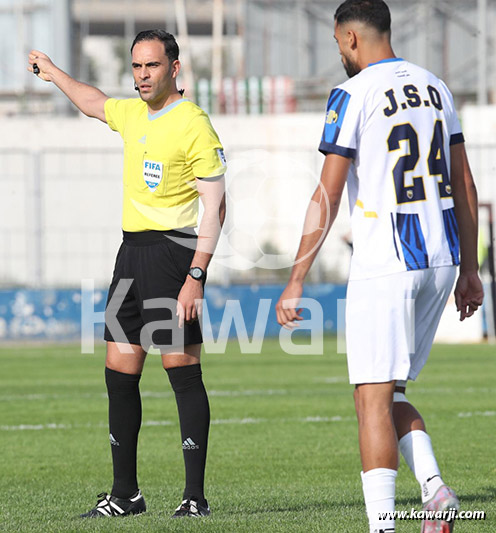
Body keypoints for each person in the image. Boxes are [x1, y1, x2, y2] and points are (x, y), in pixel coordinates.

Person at [276, 1, 483, 532]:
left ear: (349, 39)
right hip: (439, 258)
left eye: (338, 44)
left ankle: (382, 527)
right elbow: (464, 184)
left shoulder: (354, 92)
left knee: (370, 398)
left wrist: (296, 278)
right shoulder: (437, 87)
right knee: (390, 393)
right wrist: (469, 269)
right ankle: (434, 491)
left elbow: (328, 191)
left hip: (388, 261)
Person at [28, 29, 227, 518]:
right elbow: (94, 102)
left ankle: (195, 499)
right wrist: (54, 73)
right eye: (137, 66)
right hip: (130, 255)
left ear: (174, 68)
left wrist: (195, 275)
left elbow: (217, 207)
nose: (142, 75)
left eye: (152, 66)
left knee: (181, 373)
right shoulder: (133, 112)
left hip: (173, 254)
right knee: (119, 372)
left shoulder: (194, 123)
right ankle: (125, 495)